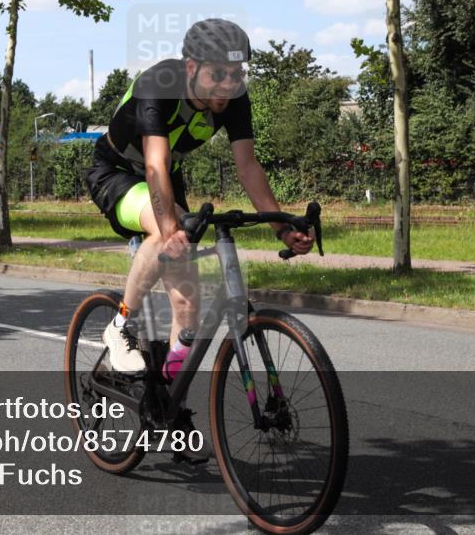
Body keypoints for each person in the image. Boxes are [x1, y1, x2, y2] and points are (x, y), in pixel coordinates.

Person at [86, 19, 314, 376]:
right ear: (191, 67)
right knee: (167, 231)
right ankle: (120, 326)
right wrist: (170, 227)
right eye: (218, 74)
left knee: (188, 301)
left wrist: (281, 227)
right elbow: (155, 165)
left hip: (164, 180)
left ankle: (168, 395)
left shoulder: (234, 98)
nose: (228, 85)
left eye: (237, 74)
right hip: (116, 172)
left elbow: (248, 168)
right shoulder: (158, 84)